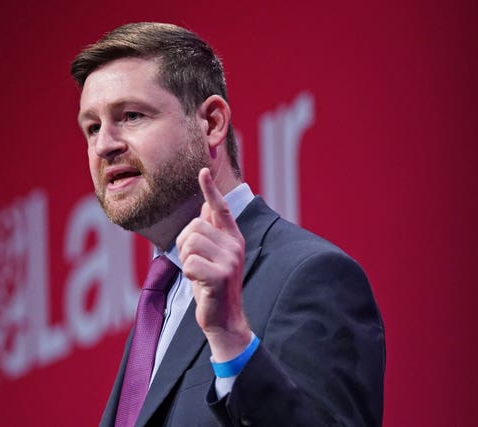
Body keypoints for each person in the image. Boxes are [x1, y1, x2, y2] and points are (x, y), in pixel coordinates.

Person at [71, 22, 385, 426]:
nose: (104, 145)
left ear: (212, 123)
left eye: (131, 116)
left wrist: (232, 338)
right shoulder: (161, 301)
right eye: (92, 127)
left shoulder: (309, 275)